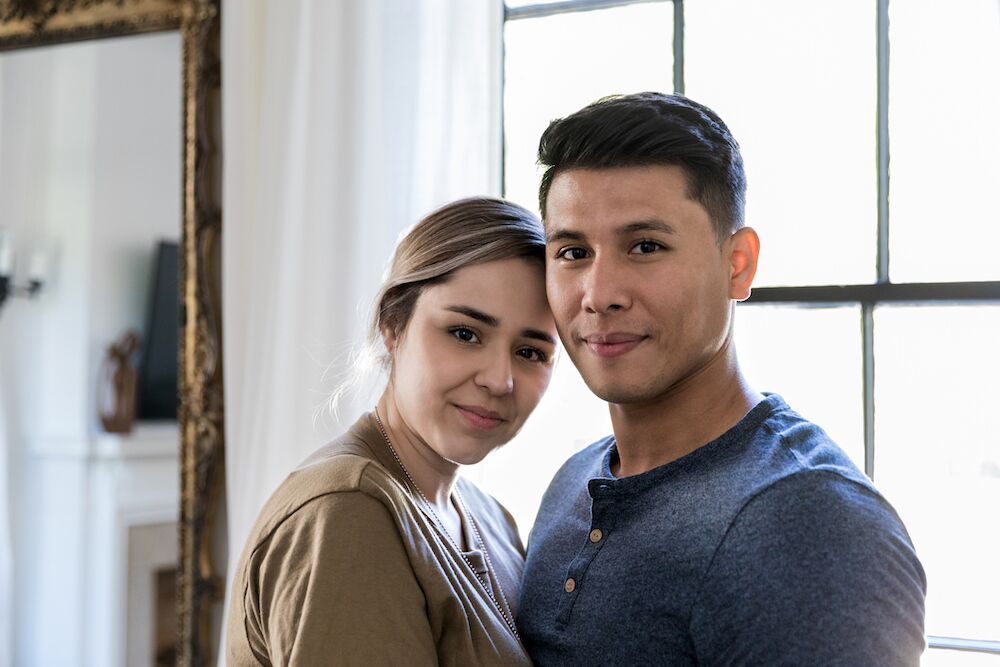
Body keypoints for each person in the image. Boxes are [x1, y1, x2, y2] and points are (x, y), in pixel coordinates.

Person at [517, 93, 927, 665]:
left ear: (738, 264)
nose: (599, 293)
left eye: (645, 246)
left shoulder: (809, 522)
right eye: (573, 251)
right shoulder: (573, 481)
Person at [227, 197, 558, 666]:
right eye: (465, 334)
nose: (499, 380)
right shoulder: (347, 512)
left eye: (530, 352)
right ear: (393, 325)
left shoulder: (490, 520)